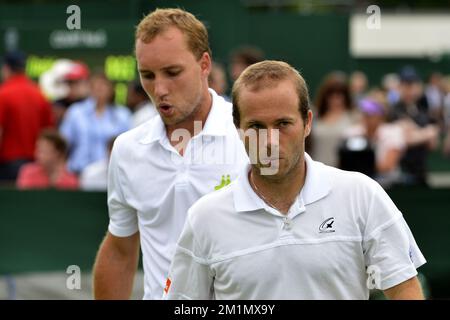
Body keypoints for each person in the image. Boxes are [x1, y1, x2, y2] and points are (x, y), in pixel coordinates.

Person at [164, 60, 426, 300]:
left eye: (283, 124)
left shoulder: (362, 195)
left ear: (307, 122)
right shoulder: (205, 217)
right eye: (256, 126)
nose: (269, 141)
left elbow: (404, 288)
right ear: (238, 129)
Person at [92, 8, 248, 300]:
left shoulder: (249, 135)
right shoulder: (127, 150)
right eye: (147, 75)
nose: (159, 88)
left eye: (172, 72)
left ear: (204, 65)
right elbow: (120, 250)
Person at [60, 72, 131, 174]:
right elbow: (64, 144)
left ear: (111, 89)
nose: (99, 89)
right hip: (78, 171)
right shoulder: (75, 112)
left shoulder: (122, 115)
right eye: (96, 85)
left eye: (103, 85)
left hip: (111, 172)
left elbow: (128, 147)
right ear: (90, 88)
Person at [0, 50, 54, 182]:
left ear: (6, 68)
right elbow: (49, 132)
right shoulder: (40, 94)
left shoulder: (3, 94)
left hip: (7, 165)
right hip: (35, 165)